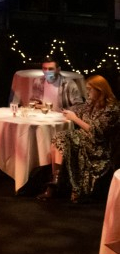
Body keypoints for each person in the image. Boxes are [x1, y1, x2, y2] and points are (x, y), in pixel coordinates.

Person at [39, 75, 120, 203]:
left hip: (99, 145)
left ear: (100, 90)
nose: (87, 93)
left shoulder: (112, 109)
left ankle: (57, 183)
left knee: (63, 138)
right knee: (59, 137)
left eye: (90, 90)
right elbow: (79, 111)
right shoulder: (91, 102)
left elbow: (97, 131)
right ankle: (55, 179)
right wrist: (66, 113)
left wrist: (75, 119)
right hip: (84, 137)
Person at [16, 55, 84, 111]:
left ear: (58, 70)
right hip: (43, 116)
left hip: (61, 119)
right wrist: (36, 105)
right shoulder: (38, 81)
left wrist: (60, 111)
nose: (47, 71)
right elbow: (34, 100)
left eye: (50, 69)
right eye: (44, 68)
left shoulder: (68, 84)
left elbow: (79, 106)